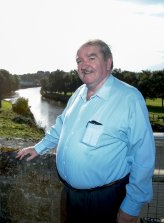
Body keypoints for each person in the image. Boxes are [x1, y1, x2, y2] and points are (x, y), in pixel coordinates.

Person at [16, 39, 155, 223]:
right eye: (79, 61)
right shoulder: (79, 93)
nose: (84, 65)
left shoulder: (129, 98)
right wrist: (39, 148)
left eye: (91, 58)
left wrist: (131, 206)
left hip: (105, 199)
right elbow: (60, 126)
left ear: (108, 62)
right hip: (71, 196)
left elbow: (143, 156)